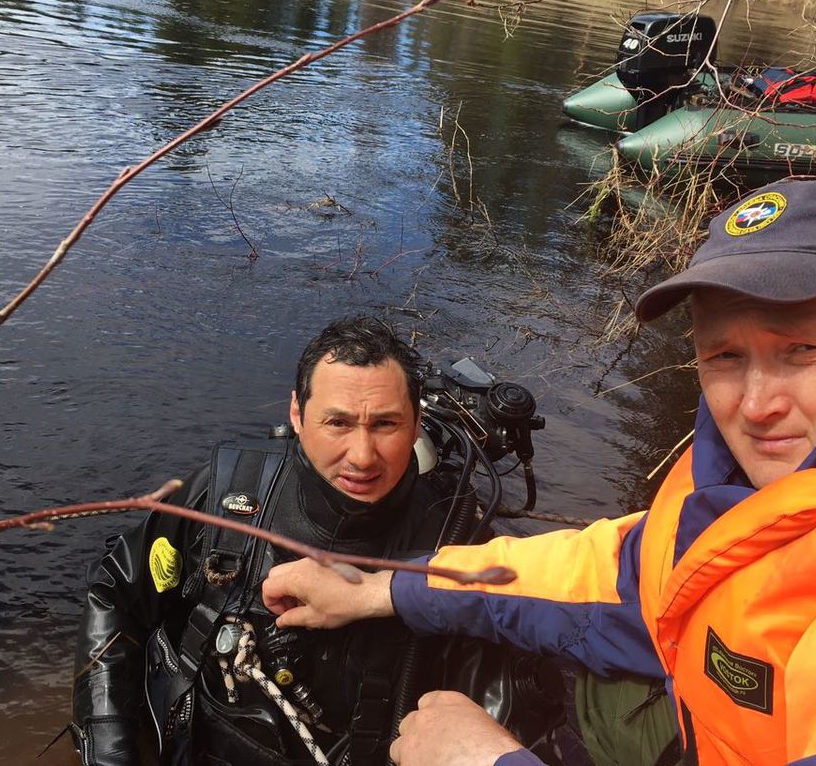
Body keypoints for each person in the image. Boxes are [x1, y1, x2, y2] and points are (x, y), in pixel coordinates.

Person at [262, 176, 816, 765]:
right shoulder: (747, 490)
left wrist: (488, 763)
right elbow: (609, 573)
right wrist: (381, 591)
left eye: (804, 350)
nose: (758, 405)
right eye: (725, 356)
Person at [70, 316, 564, 766]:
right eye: (338, 422)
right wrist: (109, 742)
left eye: (385, 424)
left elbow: (493, 707)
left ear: (415, 423)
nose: (363, 456)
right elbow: (115, 590)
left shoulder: (459, 546)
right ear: (298, 415)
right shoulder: (230, 489)